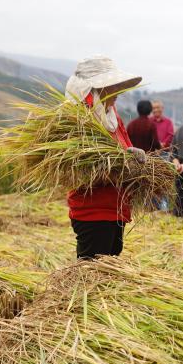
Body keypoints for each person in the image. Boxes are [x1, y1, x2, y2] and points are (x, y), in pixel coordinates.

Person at [63, 55, 146, 259]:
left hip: (115, 208)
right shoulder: (80, 121)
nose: (117, 92)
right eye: (111, 86)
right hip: (93, 211)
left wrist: (131, 155)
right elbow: (81, 171)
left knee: (110, 269)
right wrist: (120, 169)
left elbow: (123, 147)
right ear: (94, 90)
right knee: (92, 274)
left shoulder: (112, 117)